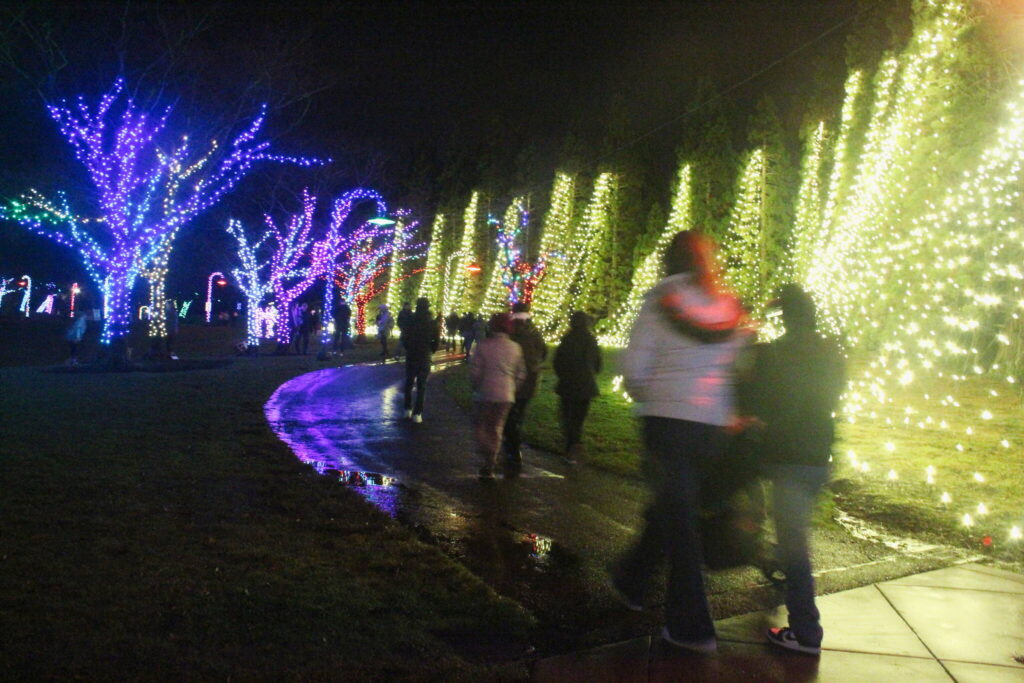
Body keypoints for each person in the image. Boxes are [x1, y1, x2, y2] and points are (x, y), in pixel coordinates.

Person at [612, 230, 750, 654]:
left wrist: (649, 393)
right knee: (676, 505)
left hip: (668, 423)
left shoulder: (660, 301)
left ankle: (691, 627)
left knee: (682, 521)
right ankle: (632, 579)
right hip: (711, 428)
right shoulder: (728, 303)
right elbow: (738, 362)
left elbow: (635, 368)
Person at [742, 284, 845, 656]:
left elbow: (762, 400)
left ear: (786, 317)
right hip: (817, 455)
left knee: (794, 543)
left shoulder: (777, 354)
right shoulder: (831, 353)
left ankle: (806, 632)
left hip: (787, 456)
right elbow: (834, 395)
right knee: (790, 533)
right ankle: (774, 560)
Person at [470, 313, 525, 480]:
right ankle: (491, 459)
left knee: (481, 426)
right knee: (497, 427)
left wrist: (475, 386)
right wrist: (513, 388)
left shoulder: (483, 346)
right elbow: (521, 373)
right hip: (506, 394)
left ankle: (487, 454)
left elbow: (475, 371)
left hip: (485, 392)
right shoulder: (515, 348)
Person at [502, 301, 548, 468]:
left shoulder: (509, 330)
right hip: (530, 378)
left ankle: (511, 445)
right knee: (519, 412)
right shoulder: (534, 331)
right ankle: (513, 444)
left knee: (508, 414)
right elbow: (543, 352)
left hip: (511, 377)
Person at [553, 310, 602, 464]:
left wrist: (563, 375)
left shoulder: (567, 339)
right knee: (578, 419)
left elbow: (558, 362)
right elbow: (598, 364)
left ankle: (572, 448)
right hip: (586, 386)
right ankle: (574, 447)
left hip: (568, 385)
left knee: (567, 418)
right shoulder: (591, 340)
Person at [402, 298, 441, 423]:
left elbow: (404, 337)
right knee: (421, 385)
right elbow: (436, 340)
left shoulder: (410, 320)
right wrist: (431, 350)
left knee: (409, 382)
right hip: (424, 355)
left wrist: (408, 347)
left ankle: (407, 408)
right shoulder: (431, 322)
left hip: (412, 354)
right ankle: (417, 413)